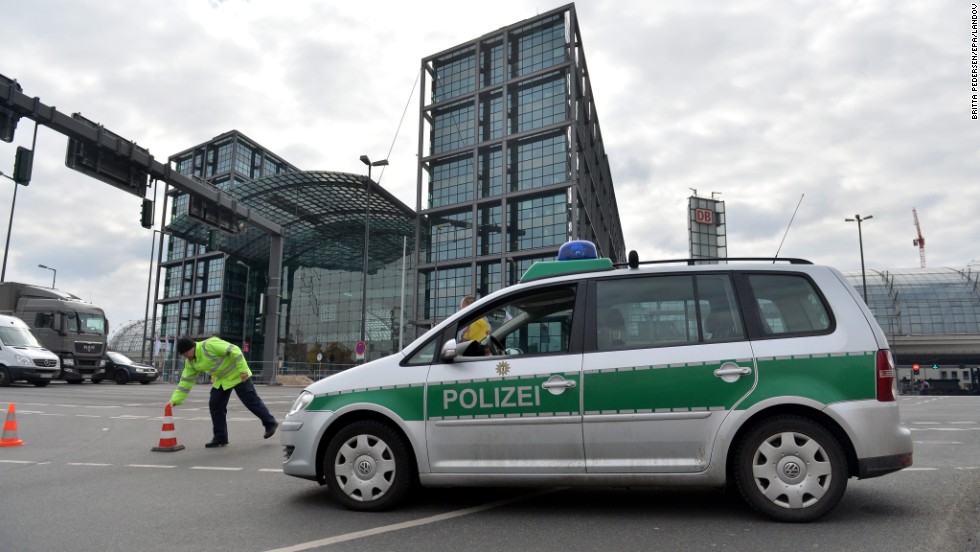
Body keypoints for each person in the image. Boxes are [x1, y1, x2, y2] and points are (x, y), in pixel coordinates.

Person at [167, 336, 278, 448]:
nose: (185, 357)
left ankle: (270, 423)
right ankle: (220, 437)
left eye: (185, 354)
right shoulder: (191, 362)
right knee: (215, 405)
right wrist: (175, 400)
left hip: (238, 374)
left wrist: (243, 369)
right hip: (222, 379)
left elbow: (235, 350)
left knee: (251, 401)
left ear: (191, 348)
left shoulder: (209, 345)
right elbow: (185, 382)